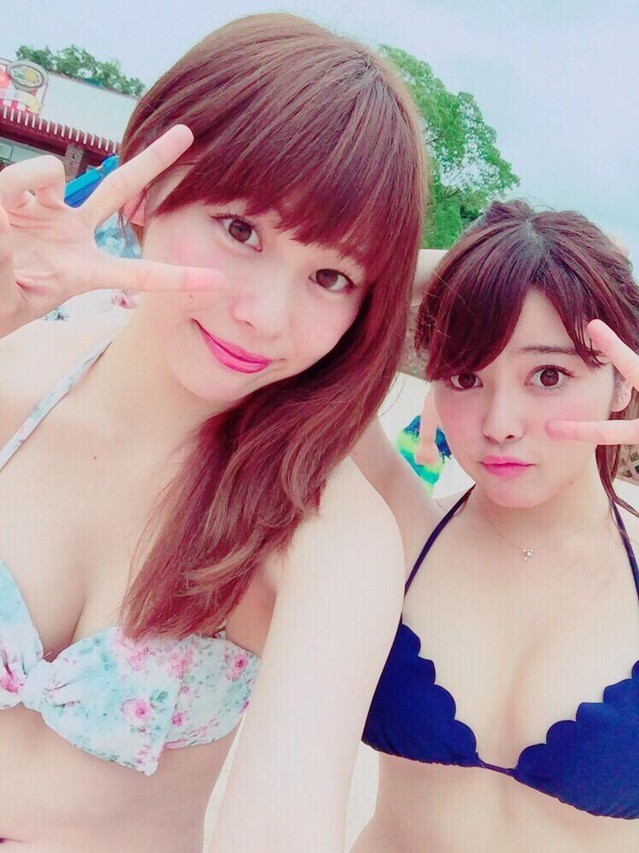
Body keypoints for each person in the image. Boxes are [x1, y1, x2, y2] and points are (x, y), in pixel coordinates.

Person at [0, 13, 427, 852]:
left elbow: (283, 822)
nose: (263, 314)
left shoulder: (322, 532)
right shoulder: (21, 368)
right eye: (241, 230)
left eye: (330, 275)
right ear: (150, 188)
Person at [353, 200, 639, 852]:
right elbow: (331, 303)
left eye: (548, 374)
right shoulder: (401, 525)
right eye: (466, 375)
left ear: (623, 381)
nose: (499, 422)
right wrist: (481, 268)